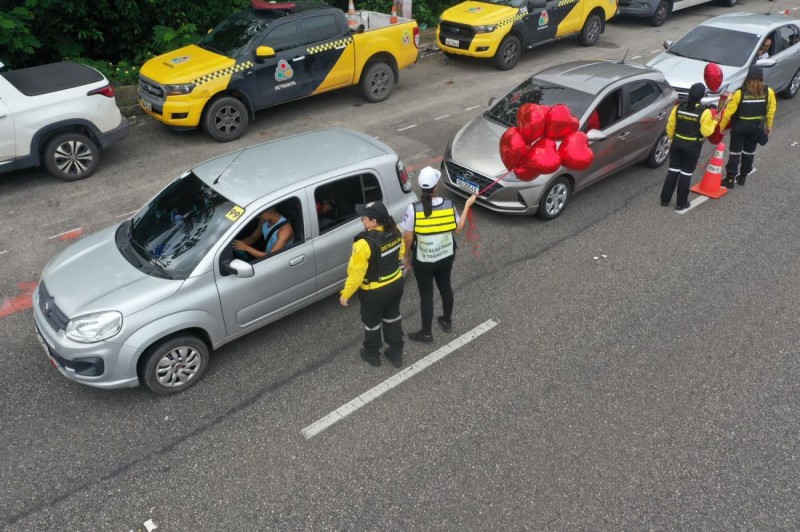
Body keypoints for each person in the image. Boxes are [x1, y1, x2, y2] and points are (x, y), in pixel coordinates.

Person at [400, 166, 477, 343]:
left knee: (426, 295)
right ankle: (447, 322)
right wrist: (466, 205)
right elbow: (458, 230)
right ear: (436, 187)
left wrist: (406, 257)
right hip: (445, 256)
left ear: (421, 187)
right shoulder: (449, 205)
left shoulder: (413, 209)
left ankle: (426, 333)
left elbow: (407, 238)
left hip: (424, 260)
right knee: (445, 287)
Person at [340, 201, 406, 368]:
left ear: (374, 222)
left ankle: (372, 354)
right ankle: (396, 353)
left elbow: (356, 274)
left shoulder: (363, 244)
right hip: (396, 283)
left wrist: (345, 295)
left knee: (372, 323)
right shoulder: (395, 231)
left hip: (374, 291)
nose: (362, 219)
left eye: (365, 217)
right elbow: (401, 254)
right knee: (392, 318)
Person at [660, 83, 717, 210]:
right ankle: (681, 203)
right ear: (702, 96)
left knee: (673, 171)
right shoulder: (704, 112)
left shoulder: (679, 107)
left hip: (677, 143)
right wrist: (715, 121)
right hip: (692, 146)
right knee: (685, 174)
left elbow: (670, 126)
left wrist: (672, 139)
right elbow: (706, 132)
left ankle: (665, 199)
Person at [718, 65, 777, 188]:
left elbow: (729, 112)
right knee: (749, 152)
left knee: (735, 153)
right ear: (761, 77)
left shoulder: (740, 93)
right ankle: (743, 177)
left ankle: (729, 180)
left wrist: (721, 127)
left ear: (748, 77)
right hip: (756, 129)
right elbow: (771, 110)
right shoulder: (768, 92)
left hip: (739, 128)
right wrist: (769, 126)